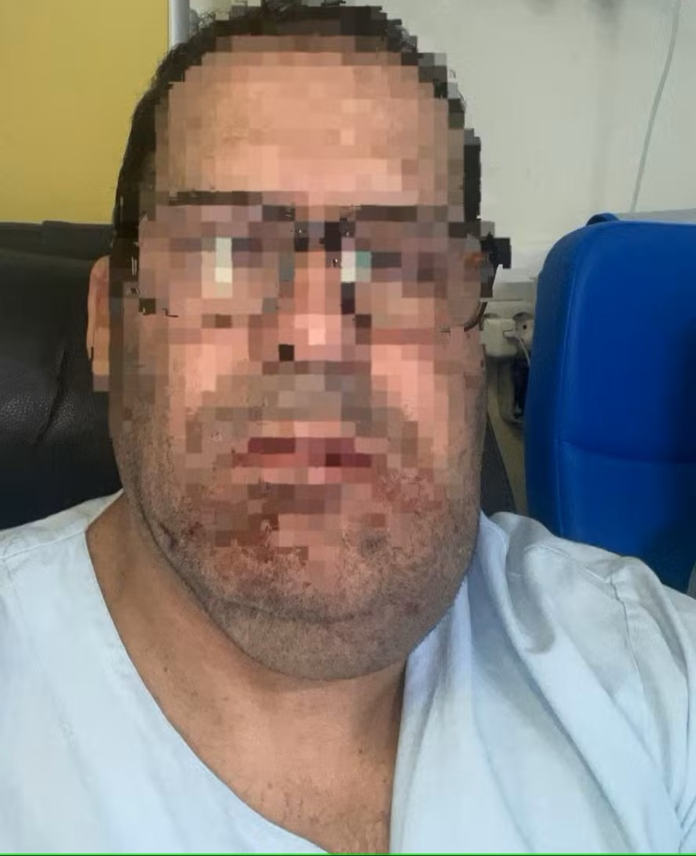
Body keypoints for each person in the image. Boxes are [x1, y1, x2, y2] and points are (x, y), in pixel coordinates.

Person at [1, 2, 695, 853]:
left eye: (401, 264)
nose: (320, 336)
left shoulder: (650, 679)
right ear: (109, 324)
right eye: (226, 253)